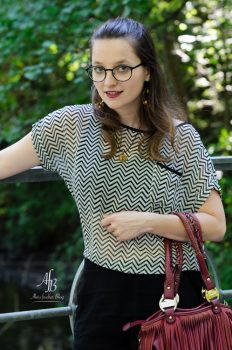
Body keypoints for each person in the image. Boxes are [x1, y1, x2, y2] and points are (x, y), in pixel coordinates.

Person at [0, 17, 226, 350]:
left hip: (175, 297)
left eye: (122, 68)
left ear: (147, 70)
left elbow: (216, 225)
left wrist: (147, 223)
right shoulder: (70, 126)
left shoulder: (181, 139)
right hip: (103, 294)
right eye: (99, 69)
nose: (109, 81)